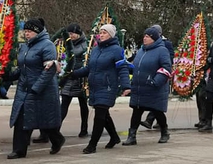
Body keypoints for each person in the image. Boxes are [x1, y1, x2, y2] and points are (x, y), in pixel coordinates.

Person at [7, 18, 65, 159]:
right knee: (21, 117)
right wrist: (7, 75)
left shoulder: (47, 46)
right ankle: (19, 150)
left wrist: (36, 87)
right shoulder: (25, 47)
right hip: (23, 88)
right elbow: (23, 68)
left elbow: (49, 70)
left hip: (42, 89)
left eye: (30, 31)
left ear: (37, 32)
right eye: (25, 31)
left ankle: (57, 139)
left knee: (45, 120)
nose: (27, 34)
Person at [72, 24, 131, 154]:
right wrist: (73, 73)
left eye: (105, 32)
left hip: (108, 86)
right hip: (95, 86)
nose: (101, 35)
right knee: (104, 114)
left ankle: (92, 145)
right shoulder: (96, 49)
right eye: (101, 32)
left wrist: (126, 86)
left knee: (99, 115)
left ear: (111, 35)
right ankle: (114, 137)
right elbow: (89, 68)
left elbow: (122, 68)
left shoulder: (117, 50)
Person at [122, 27, 172, 145]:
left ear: (154, 38)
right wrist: (126, 66)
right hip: (140, 87)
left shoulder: (162, 50)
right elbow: (136, 67)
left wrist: (156, 81)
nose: (144, 38)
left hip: (154, 87)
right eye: (144, 36)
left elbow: (166, 67)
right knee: (136, 111)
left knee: (157, 111)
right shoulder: (141, 50)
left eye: (148, 36)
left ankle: (164, 132)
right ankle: (132, 136)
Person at [139, 24, 174, 130]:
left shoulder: (165, 44)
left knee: (156, 104)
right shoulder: (146, 46)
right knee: (152, 104)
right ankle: (157, 123)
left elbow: (169, 58)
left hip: (160, 75)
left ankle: (157, 124)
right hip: (148, 76)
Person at [60, 23, 89, 137]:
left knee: (83, 104)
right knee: (64, 103)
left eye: (72, 33)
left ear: (78, 34)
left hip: (80, 78)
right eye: (69, 33)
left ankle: (84, 128)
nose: (70, 35)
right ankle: (55, 129)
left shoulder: (85, 45)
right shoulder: (66, 43)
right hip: (68, 77)